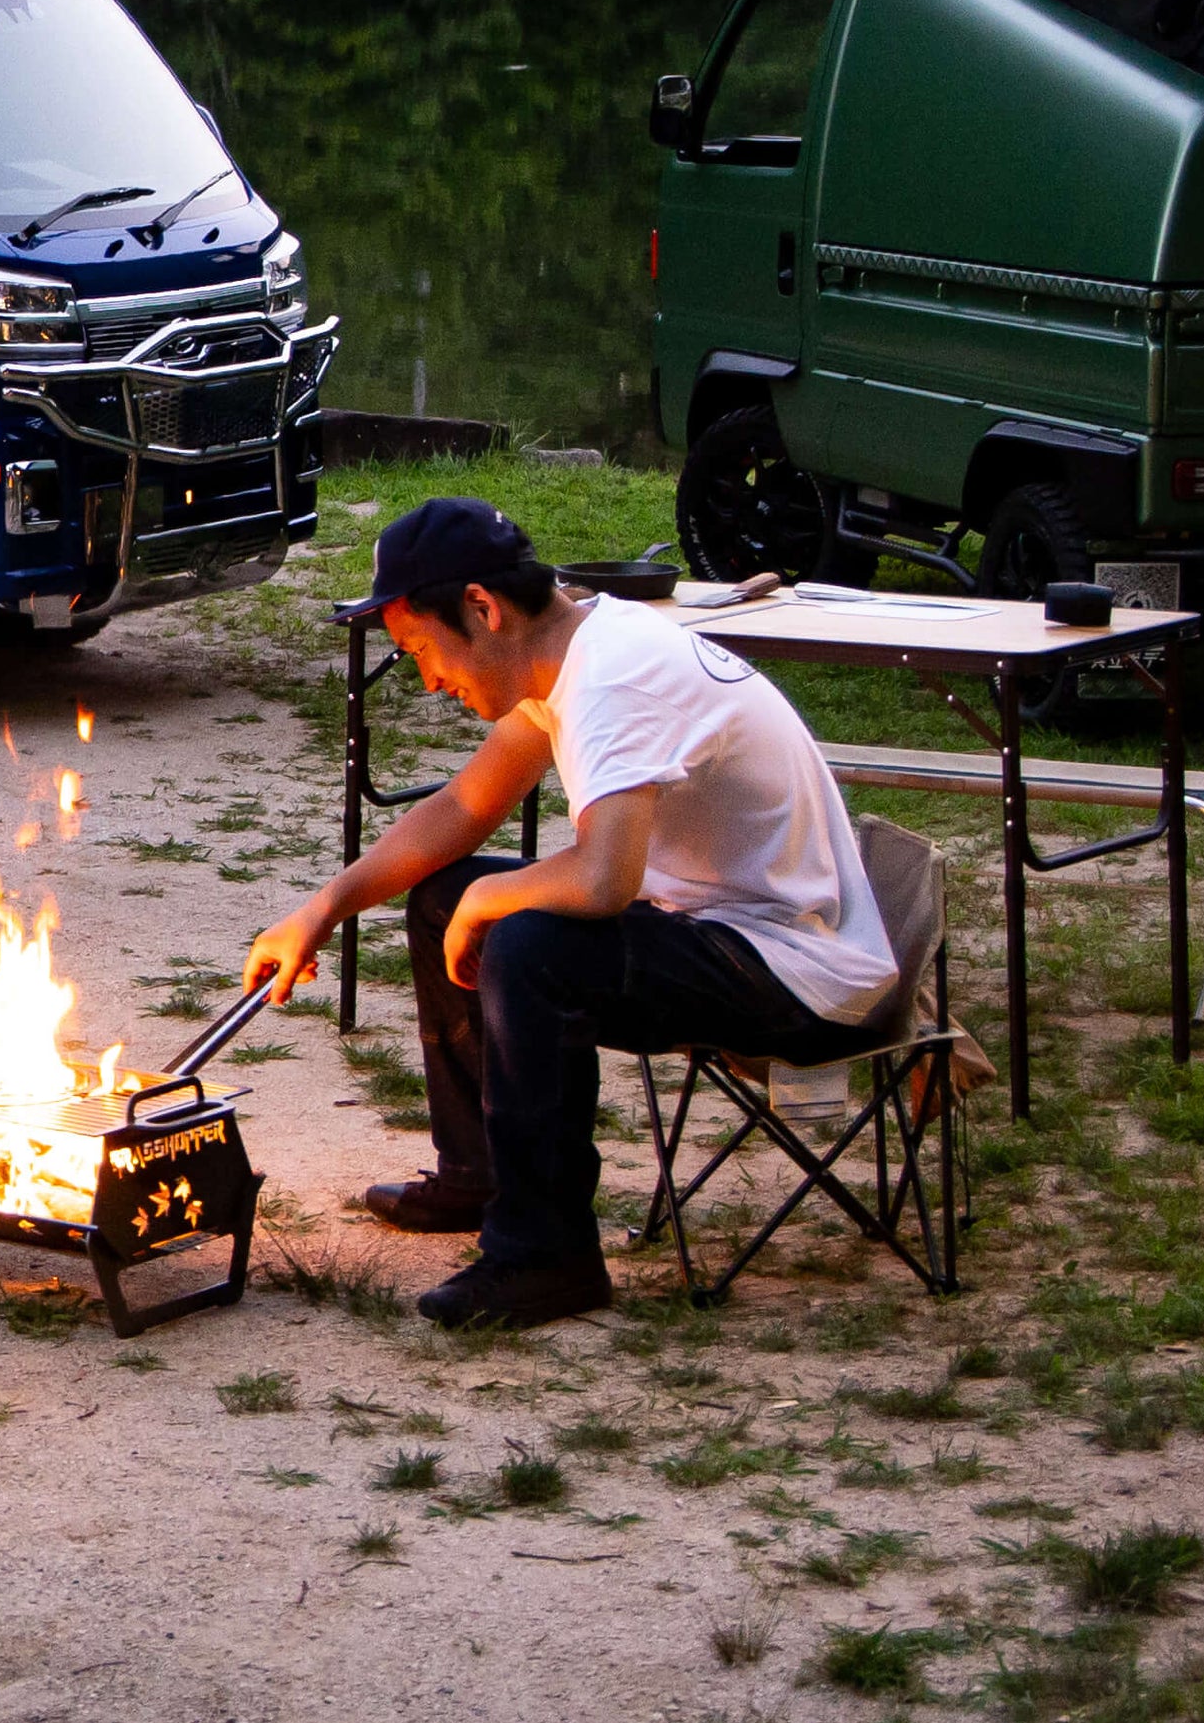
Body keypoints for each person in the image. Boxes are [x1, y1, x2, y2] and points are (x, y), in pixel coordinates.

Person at [239, 496, 896, 1329]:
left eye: (420, 650)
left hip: (797, 971)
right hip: (719, 931)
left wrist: (491, 899)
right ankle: (481, 1177)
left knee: (530, 944)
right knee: (448, 895)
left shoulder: (614, 678)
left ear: (482, 607)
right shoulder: (578, 651)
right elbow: (463, 810)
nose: (428, 679)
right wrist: (323, 910)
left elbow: (604, 882)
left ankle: (546, 1256)